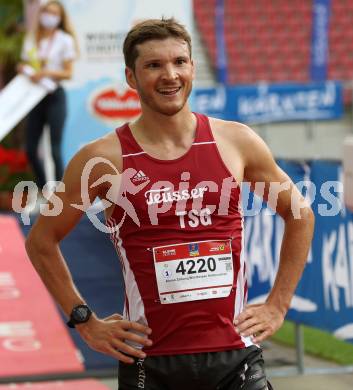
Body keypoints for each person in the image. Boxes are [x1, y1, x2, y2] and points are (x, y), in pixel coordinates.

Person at [25, 18, 315, 390]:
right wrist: (84, 320)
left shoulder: (236, 141)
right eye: (154, 65)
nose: (170, 75)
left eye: (179, 62)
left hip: (236, 357)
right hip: (150, 364)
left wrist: (278, 304)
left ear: (193, 68)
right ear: (131, 77)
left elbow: (300, 213)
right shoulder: (102, 159)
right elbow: (41, 240)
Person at [18, 0, 77, 192]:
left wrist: (46, 73)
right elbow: (27, 64)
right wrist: (23, 69)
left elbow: (68, 73)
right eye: (47, 12)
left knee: (54, 148)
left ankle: (60, 195)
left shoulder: (64, 39)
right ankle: (45, 190)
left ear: (60, 18)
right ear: (41, 14)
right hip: (34, 97)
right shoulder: (32, 38)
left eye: (54, 13)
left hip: (55, 95)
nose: (49, 17)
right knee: (30, 149)